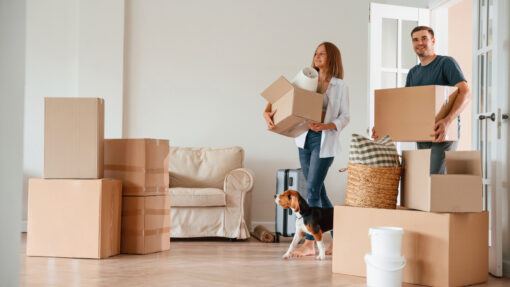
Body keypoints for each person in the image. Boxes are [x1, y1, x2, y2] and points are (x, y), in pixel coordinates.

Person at [263, 42, 350, 257]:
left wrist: (326, 125)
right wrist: (266, 112)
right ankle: (342, 238)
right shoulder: (306, 78)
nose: (317, 57)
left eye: (322, 54)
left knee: (311, 190)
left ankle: (310, 242)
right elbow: (280, 97)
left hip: (325, 141)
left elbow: (345, 117)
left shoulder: (340, 86)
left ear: (332, 58)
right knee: (318, 191)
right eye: (315, 53)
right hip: (304, 140)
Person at [372, 26, 471, 174]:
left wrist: (448, 121)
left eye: (424, 38)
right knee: (425, 179)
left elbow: (465, 92)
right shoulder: (413, 73)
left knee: (434, 177)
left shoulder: (446, 63)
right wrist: (383, 127)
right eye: (415, 40)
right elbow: (406, 106)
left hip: (442, 133)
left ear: (433, 41)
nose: (420, 43)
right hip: (422, 134)